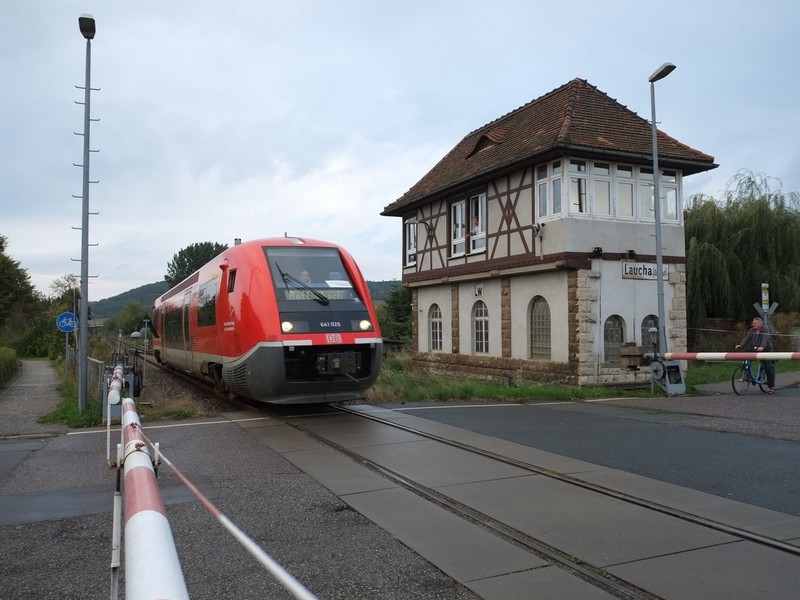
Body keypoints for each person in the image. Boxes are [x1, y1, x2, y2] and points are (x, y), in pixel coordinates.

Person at [736, 317, 775, 394]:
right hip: (756, 349)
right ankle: (747, 375)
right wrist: (741, 345)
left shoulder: (765, 329)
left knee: (768, 367)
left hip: (766, 351)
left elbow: (765, 339)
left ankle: (771, 387)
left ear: (760, 324)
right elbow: (746, 338)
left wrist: (762, 346)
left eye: (755, 323)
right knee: (747, 358)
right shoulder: (752, 331)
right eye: (753, 323)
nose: (753, 324)